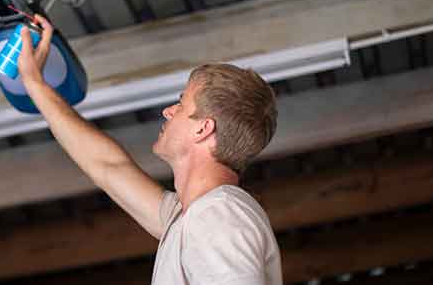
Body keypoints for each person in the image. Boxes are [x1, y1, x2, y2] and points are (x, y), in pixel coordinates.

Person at [18, 15, 282, 285]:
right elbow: (107, 167)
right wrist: (34, 83)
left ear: (203, 129)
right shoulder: (189, 216)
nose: (167, 111)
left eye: (181, 105)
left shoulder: (219, 215)